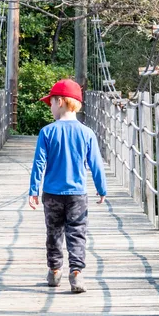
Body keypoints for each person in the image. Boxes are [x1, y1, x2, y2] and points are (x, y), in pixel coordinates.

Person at [28, 79, 107, 293]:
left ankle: (54, 271)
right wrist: (101, 189)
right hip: (78, 195)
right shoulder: (87, 133)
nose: (50, 108)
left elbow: (39, 163)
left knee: (53, 232)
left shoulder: (47, 132)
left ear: (60, 102)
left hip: (52, 193)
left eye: (51, 103)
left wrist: (33, 190)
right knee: (77, 233)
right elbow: (96, 164)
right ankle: (76, 274)